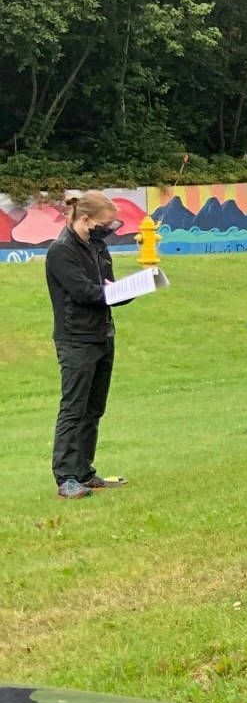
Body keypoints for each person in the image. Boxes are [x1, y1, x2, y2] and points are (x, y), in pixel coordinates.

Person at [45, 192, 132, 499]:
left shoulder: (98, 248)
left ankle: (84, 471)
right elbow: (85, 292)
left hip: (103, 334)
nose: (109, 229)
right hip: (76, 338)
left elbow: (107, 286)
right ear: (85, 219)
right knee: (74, 407)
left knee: (94, 407)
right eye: (105, 223)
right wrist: (113, 291)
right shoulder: (61, 251)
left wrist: (136, 287)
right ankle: (66, 476)